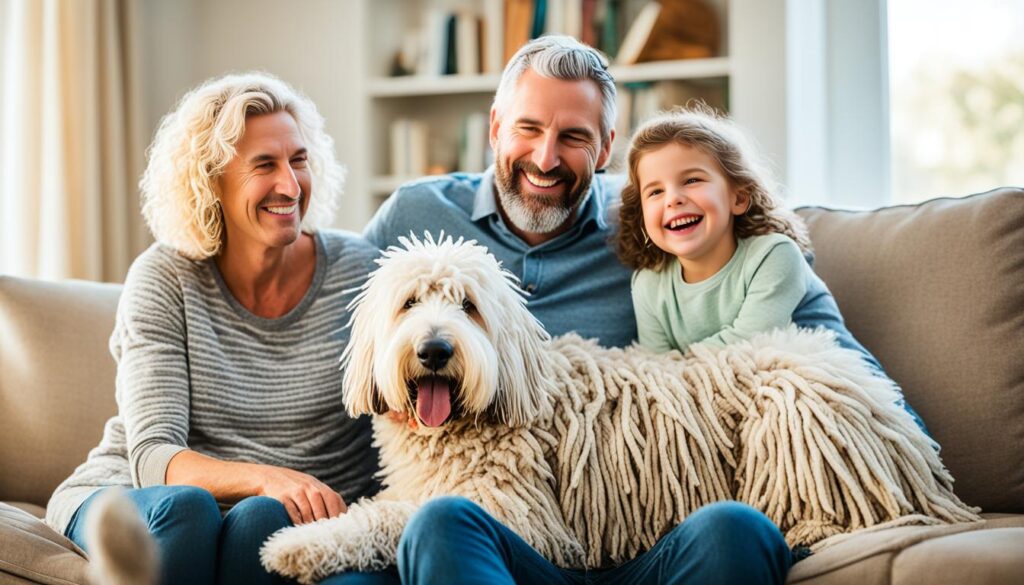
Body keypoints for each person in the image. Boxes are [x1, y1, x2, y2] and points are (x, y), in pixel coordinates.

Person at [365, 35, 793, 585]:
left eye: (573, 137)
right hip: (509, 546)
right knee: (441, 522)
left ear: (608, 143)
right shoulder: (416, 212)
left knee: (736, 529)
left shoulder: (655, 221)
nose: (546, 158)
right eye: (528, 128)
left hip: (645, 542)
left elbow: (785, 307)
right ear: (495, 126)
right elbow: (338, 315)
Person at [46, 72, 384, 585]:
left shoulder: (360, 273)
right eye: (264, 166)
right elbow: (153, 456)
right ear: (211, 182)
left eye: (298, 160)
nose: (290, 186)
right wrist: (266, 478)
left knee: (262, 521)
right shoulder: (165, 278)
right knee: (191, 510)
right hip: (140, 496)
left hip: (284, 517)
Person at [616, 106, 928, 433]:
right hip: (745, 407)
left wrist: (676, 369)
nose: (673, 199)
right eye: (655, 191)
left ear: (739, 197)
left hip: (839, 399)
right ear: (641, 215)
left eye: (692, 180)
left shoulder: (775, 254)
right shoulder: (648, 284)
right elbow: (655, 365)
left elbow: (748, 342)